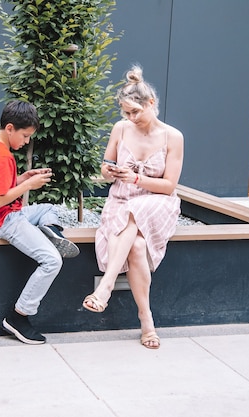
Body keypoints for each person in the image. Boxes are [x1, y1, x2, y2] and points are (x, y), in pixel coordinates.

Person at [82, 65, 184, 350]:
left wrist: (137, 177)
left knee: (135, 210)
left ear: (151, 103)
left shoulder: (172, 137)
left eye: (135, 112)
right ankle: (146, 321)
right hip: (121, 200)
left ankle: (106, 285)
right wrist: (110, 172)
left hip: (157, 202)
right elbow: (105, 168)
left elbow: (169, 185)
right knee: (136, 246)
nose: (130, 118)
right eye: (126, 113)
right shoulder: (121, 128)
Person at [0, 100, 80, 344]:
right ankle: (19, 316)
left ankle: (51, 232)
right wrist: (27, 185)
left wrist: (23, 177)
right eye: (25, 136)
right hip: (4, 220)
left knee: (48, 208)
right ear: (10, 128)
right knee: (52, 261)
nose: (25, 142)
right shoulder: (2, 156)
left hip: (11, 214)